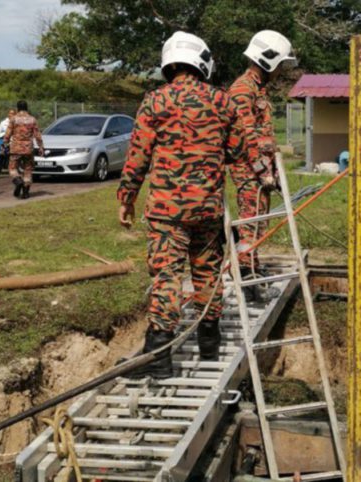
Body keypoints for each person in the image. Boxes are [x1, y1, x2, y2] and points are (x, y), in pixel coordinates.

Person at [117, 32, 244, 378]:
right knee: (208, 273)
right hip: (208, 209)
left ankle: (158, 361)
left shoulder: (155, 102)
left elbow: (137, 158)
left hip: (166, 212)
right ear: (202, 61)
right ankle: (209, 346)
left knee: (167, 278)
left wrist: (126, 198)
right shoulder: (223, 102)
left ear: (168, 63)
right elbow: (237, 152)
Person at [228, 30, 297, 301]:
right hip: (249, 170)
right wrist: (262, 171)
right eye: (280, 64)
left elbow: (264, 135)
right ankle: (246, 274)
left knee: (258, 222)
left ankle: (252, 264)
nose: (281, 71)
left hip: (261, 170)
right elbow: (247, 136)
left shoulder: (258, 89)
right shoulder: (242, 89)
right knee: (249, 221)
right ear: (268, 61)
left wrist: (273, 171)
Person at [3, 101, 43, 199]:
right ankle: (25, 193)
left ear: (17, 108)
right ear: (27, 108)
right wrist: (41, 146)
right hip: (28, 149)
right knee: (28, 170)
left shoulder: (13, 119)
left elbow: (8, 134)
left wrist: (5, 143)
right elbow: (37, 135)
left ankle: (18, 181)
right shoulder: (32, 120)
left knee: (12, 168)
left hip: (15, 148)